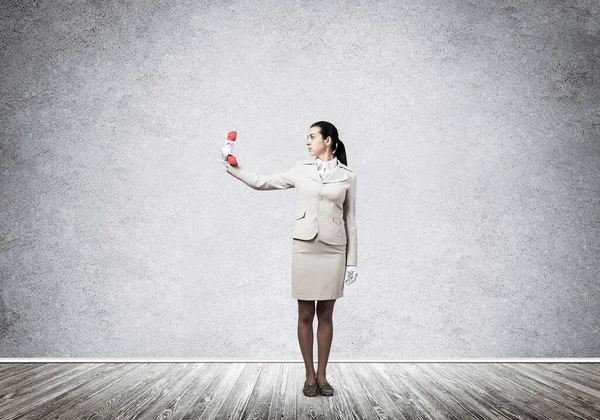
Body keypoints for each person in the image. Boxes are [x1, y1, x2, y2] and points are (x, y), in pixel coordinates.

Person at [221, 121, 358, 397]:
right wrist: (233, 167)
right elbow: (262, 183)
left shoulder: (348, 176)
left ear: (328, 140)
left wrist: (352, 260)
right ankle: (309, 376)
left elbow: (350, 219)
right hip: (305, 246)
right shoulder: (300, 170)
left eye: (312, 137)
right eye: (307, 137)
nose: (307, 142)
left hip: (334, 249)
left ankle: (323, 376)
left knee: (326, 314)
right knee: (306, 313)